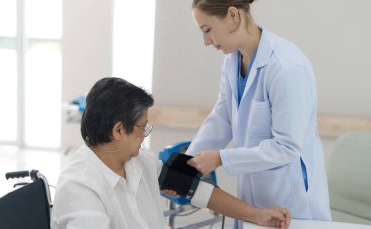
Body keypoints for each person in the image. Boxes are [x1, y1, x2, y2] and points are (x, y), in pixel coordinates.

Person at [186, 0, 332, 228]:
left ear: (233, 16)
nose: (206, 41)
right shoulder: (232, 60)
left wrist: (220, 158)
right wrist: (187, 164)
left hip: (291, 200)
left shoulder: (286, 67)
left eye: (207, 29)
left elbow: (287, 146)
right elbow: (222, 118)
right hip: (254, 198)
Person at [51, 77, 290, 229]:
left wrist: (257, 215)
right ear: (118, 130)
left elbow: (197, 191)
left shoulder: (140, 162)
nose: (145, 134)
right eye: (142, 127)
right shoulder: (80, 186)